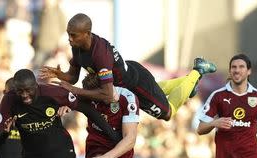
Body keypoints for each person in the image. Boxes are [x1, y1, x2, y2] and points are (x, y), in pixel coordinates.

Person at [39, 13, 216, 121]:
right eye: (69, 34)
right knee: (159, 91)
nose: (69, 39)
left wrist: (74, 90)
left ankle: (196, 72)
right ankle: (188, 85)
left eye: (74, 35)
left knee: (167, 113)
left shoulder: (99, 53)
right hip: (129, 78)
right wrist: (59, 74)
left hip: (136, 83)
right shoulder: (77, 47)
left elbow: (108, 95)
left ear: (87, 33)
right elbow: (74, 76)